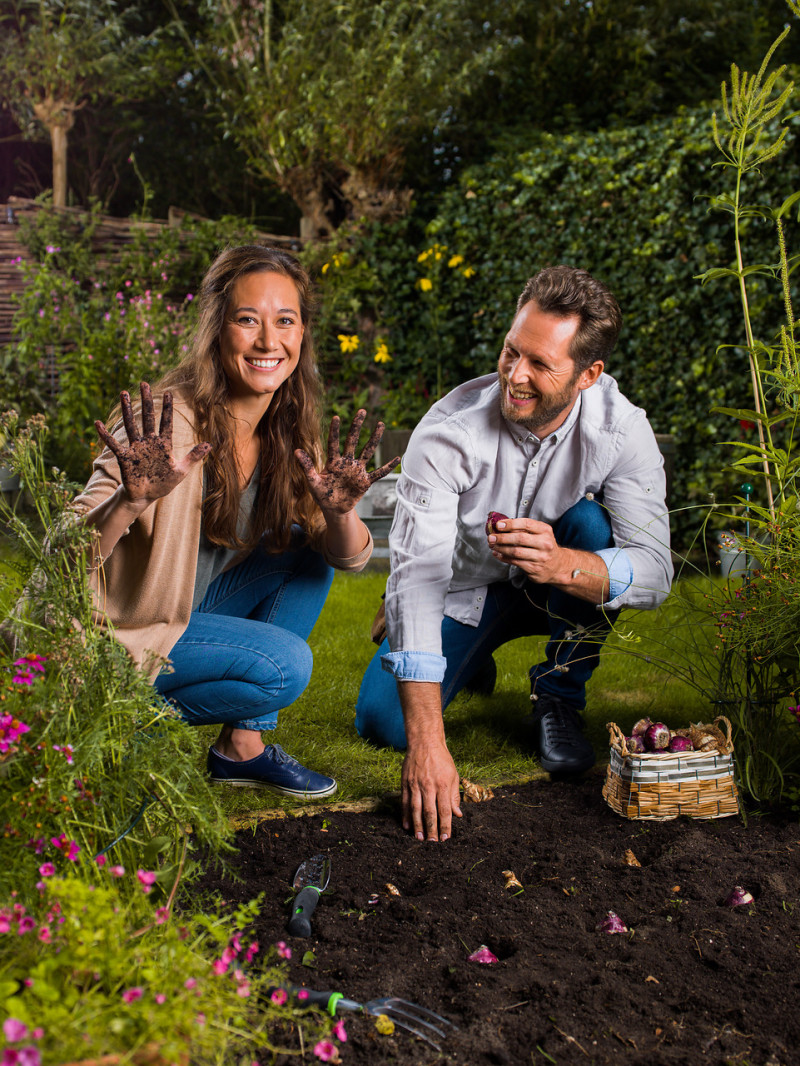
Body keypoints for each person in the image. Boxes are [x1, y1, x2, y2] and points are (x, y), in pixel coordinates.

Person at [356, 265, 673, 840]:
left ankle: (557, 696)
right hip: (466, 585)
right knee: (383, 723)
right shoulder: (449, 432)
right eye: (511, 352)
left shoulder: (623, 431)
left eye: (539, 365)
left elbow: (655, 572)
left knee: (587, 523)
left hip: (555, 589)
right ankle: (471, 660)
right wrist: (429, 744)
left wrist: (561, 564)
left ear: (588, 375)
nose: (515, 376)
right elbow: (420, 576)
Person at [71, 244, 398, 800]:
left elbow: (348, 557)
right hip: (116, 635)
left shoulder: (288, 431)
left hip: (183, 616)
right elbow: (63, 555)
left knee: (304, 553)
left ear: (302, 334)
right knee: (284, 666)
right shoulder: (165, 427)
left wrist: (339, 513)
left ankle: (240, 750)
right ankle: (113, 721)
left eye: (285, 321)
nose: (269, 341)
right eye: (248, 320)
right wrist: (129, 500)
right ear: (216, 330)